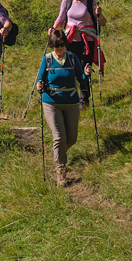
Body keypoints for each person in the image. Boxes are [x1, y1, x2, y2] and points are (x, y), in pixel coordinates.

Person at [36, 28, 87, 186]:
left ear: (65, 44)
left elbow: (81, 78)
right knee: (59, 137)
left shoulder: (72, 58)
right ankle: (60, 171)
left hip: (71, 101)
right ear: (52, 46)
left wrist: (87, 73)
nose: (59, 49)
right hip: (51, 102)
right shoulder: (48, 59)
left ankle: (59, 155)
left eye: (62, 45)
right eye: (56, 46)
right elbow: (40, 78)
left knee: (71, 138)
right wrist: (40, 85)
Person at [48, 0, 105, 107]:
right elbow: (61, 18)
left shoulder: (90, 0)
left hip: (87, 41)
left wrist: (100, 14)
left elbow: (102, 23)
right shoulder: (67, 0)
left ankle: (83, 100)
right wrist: (53, 28)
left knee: (85, 67)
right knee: (68, 67)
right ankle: (67, 96)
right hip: (70, 39)